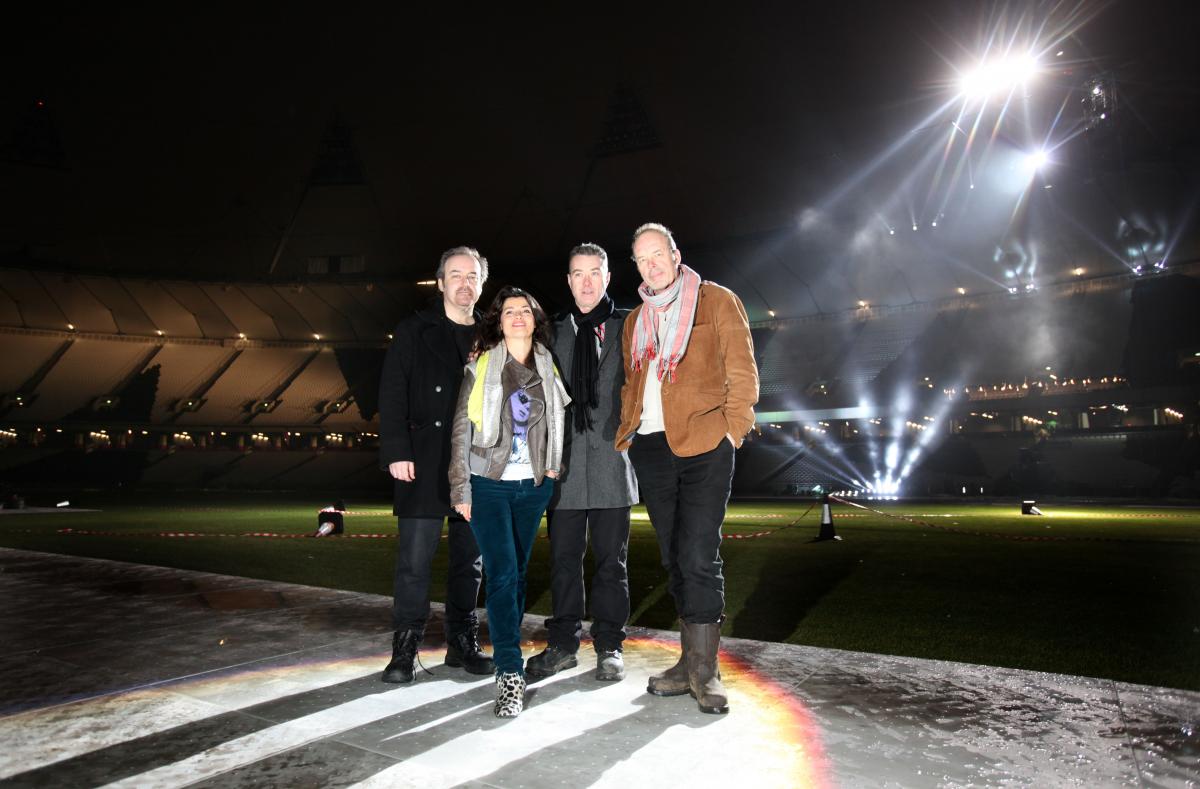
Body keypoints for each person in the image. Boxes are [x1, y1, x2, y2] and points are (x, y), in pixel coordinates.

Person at [616, 222, 758, 715]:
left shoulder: (716, 300)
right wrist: (629, 432)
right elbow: (632, 383)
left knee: (698, 554)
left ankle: (707, 670)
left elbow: (742, 371)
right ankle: (688, 661)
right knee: (676, 557)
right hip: (652, 449)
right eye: (642, 259)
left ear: (676, 255)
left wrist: (731, 430)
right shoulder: (634, 320)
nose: (651, 265)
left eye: (658, 255)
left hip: (704, 445)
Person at [449, 286, 570, 717]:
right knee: (501, 575)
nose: (517, 316)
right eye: (509, 311)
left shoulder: (547, 366)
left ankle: (506, 653)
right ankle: (509, 674)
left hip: (531, 487)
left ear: (536, 320)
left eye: (525, 310)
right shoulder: (481, 365)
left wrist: (552, 468)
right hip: (488, 483)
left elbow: (557, 423)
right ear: (499, 322)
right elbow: (462, 428)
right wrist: (460, 488)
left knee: (516, 575)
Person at [377, 246, 494, 684]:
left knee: (470, 562)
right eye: (455, 275)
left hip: (477, 464)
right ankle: (404, 650)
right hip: (423, 459)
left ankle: (461, 645)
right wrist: (396, 450)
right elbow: (392, 391)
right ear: (441, 282)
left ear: (482, 283)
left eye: (473, 276)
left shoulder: (493, 332)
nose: (464, 283)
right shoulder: (414, 329)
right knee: (413, 561)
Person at [525, 243, 638, 682]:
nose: (587, 282)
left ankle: (609, 644)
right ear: (568, 281)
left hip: (613, 463)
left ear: (607, 278)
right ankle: (563, 642)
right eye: (578, 274)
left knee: (613, 562)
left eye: (595, 273)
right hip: (564, 468)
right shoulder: (552, 333)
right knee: (564, 562)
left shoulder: (630, 326)